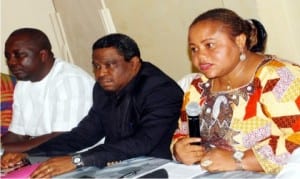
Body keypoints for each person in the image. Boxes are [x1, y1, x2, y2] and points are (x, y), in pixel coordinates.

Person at [1, 33, 183, 178]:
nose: (101, 73)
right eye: (96, 66)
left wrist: (78, 160)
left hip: (156, 167)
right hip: (117, 166)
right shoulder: (103, 88)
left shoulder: (160, 91)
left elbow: (141, 142)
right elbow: (84, 134)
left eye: (110, 65)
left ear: (134, 64)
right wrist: (31, 155)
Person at [171, 8, 300, 175]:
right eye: (194, 49)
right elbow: (183, 131)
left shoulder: (279, 79)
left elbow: (297, 138)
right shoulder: (199, 85)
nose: (200, 57)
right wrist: (179, 149)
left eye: (209, 45)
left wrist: (239, 159)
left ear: (240, 41)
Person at [1, 28, 94, 153]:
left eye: (19, 55)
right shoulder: (24, 84)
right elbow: (17, 135)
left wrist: (3, 150)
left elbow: (62, 138)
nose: (11, 62)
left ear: (42, 55)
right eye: (8, 56)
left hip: (81, 158)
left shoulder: (69, 81)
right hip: (44, 156)